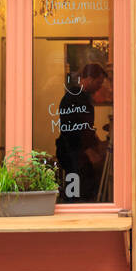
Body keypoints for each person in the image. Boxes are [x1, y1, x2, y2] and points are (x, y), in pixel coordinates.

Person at [55, 63, 109, 203]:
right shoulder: (74, 98)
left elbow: (84, 127)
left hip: (74, 153)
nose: (99, 86)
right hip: (73, 154)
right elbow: (74, 130)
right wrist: (90, 151)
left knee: (79, 190)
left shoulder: (78, 97)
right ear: (89, 79)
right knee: (77, 194)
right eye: (98, 82)